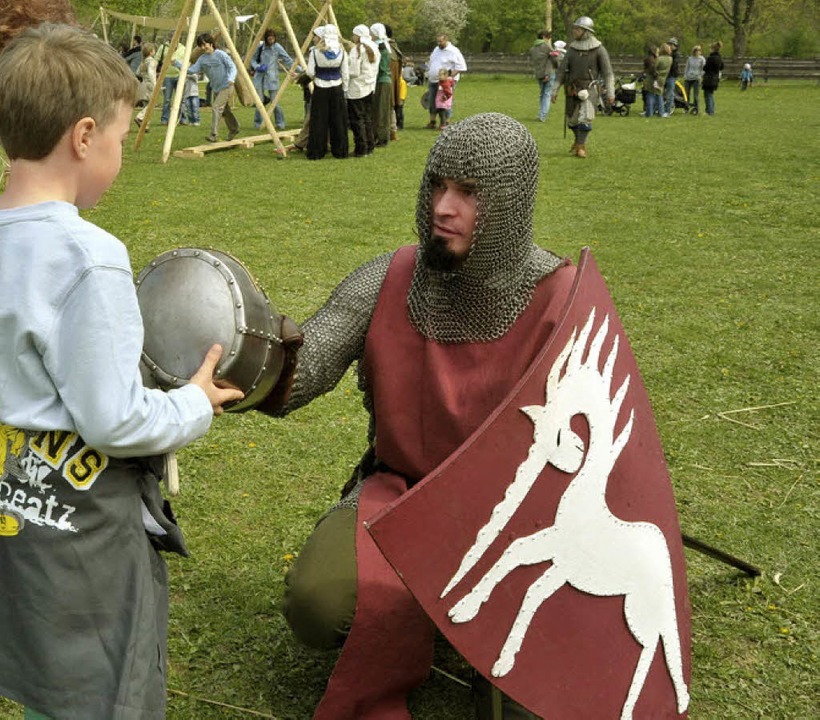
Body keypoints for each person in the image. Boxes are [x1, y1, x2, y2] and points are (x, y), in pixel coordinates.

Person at [255, 112, 574, 720]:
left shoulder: (560, 301)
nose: (444, 208)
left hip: (520, 518)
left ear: (509, 203)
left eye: (469, 194)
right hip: (399, 495)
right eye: (438, 187)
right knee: (319, 604)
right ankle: (424, 613)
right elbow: (308, 362)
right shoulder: (392, 276)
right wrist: (241, 360)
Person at [0, 24, 243, 720]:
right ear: (83, 137)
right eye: (117, 140)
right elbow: (114, 420)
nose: (118, 157)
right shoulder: (89, 255)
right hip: (88, 535)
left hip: (17, 515)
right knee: (106, 691)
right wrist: (193, 403)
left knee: (50, 677)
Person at [552, 16, 614, 158]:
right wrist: (554, 90)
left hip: (590, 88)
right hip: (572, 89)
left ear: (586, 31)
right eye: (574, 28)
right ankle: (577, 140)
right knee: (572, 122)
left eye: (577, 29)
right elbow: (561, 72)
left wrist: (611, 93)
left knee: (585, 118)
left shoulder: (599, 49)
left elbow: (608, 74)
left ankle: (581, 147)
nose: (574, 31)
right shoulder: (572, 50)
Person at [305, 24, 349, 160]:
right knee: (338, 121)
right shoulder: (342, 52)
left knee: (319, 121)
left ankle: (317, 151)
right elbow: (345, 73)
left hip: (320, 87)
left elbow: (310, 72)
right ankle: (340, 151)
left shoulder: (315, 52)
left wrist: (317, 76)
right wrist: (345, 89)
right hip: (337, 87)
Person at [187, 32, 240, 142]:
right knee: (225, 111)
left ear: (211, 43)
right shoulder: (202, 59)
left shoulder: (221, 54)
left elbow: (232, 67)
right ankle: (234, 128)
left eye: (204, 44)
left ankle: (214, 134)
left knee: (216, 107)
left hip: (227, 86)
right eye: (200, 46)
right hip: (216, 88)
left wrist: (231, 78)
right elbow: (193, 70)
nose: (203, 47)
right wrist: (179, 65)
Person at [250, 28, 295, 131]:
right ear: (266, 39)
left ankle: (280, 123)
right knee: (259, 101)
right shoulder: (261, 47)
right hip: (259, 77)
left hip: (272, 77)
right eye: (269, 39)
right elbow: (253, 59)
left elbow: (287, 59)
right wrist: (257, 67)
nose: (271, 40)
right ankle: (258, 123)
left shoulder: (277, 47)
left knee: (275, 101)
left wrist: (299, 69)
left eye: (272, 38)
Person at [347, 24, 379, 157]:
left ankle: (361, 148)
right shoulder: (374, 47)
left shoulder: (358, 49)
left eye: (354, 35)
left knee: (357, 120)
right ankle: (370, 146)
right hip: (370, 87)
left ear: (358, 35)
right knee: (367, 118)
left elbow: (354, 71)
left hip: (357, 88)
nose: (353, 37)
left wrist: (344, 71)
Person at [425, 33, 467, 129]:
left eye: (441, 41)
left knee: (444, 102)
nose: (439, 43)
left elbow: (461, 67)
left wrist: (449, 77)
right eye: (438, 41)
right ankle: (432, 121)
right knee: (432, 101)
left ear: (446, 40)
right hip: (434, 80)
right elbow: (431, 62)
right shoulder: (436, 49)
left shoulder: (454, 51)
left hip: (445, 82)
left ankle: (446, 122)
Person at [369, 22, 393, 146]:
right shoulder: (382, 45)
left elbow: (381, 68)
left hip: (382, 82)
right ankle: (376, 136)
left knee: (381, 111)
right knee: (377, 110)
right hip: (381, 81)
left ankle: (382, 138)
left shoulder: (382, 48)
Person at [528, 29, 558, 122]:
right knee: (547, 94)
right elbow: (554, 59)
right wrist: (557, 66)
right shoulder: (546, 46)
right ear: (544, 36)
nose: (548, 39)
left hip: (539, 74)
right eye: (548, 37)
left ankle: (540, 114)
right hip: (548, 73)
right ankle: (543, 116)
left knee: (542, 94)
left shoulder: (532, 49)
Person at [702, 41, 724, 115]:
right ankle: (711, 109)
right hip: (715, 77)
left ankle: (710, 111)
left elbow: (705, 68)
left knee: (707, 95)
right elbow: (722, 67)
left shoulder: (711, 58)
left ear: (713, 49)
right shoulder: (719, 57)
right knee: (710, 94)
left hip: (709, 78)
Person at [683, 45, 705, 114]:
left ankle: (696, 108)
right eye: (696, 50)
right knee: (686, 93)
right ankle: (686, 108)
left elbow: (703, 69)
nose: (697, 52)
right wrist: (685, 75)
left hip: (696, 78)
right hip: (688, 78)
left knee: (696, 95)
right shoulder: (690, 58)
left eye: (699, 51)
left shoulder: (702, 59)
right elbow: (687, 67)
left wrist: (700, 75)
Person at [654, 43, 673, 117]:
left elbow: (655, 67)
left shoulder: (659, 58)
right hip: (664, 77)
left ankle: (660, 111)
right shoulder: (670, 59)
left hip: (658, 77)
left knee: (658, 95)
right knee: (660, 93)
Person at [664, 37, 680, 115]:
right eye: (669, 44)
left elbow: (673, 66)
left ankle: (668, 110)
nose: (670, 46)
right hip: (668, 76)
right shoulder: (669, 54)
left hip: (671, 76)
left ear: (675, 46)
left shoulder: (675, 55)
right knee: (668, 92)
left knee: (670, 93)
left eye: (671, 44)